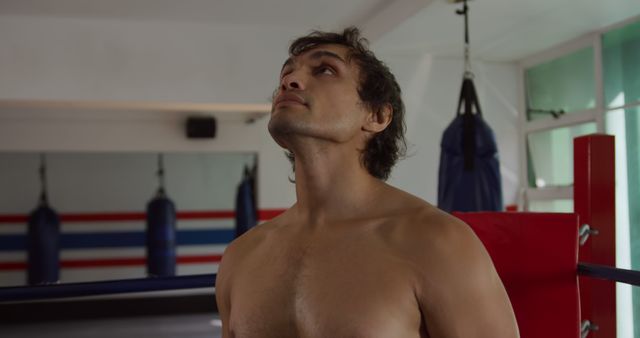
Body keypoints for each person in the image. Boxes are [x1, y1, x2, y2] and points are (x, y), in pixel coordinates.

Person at [215, 27, 519, 338]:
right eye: (286, 75)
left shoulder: (438, 242)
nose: (289, 82)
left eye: (325, 69)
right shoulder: (241, 257)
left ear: (377, 115)